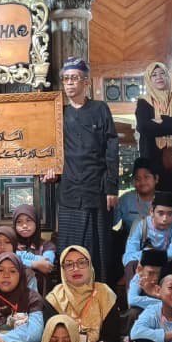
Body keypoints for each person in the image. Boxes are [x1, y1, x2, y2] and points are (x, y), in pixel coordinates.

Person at [43, 56, 119, 282]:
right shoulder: (59, 112)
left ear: (86, 82)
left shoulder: (100, 109)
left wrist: (112, 187)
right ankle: (70, 295)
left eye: (74, 78)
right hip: (69, 191)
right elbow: (48, 147)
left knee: (98, 249)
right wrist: (49, 171)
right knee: (70, 249)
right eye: (66, 79)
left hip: (97, 191)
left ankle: (100, 296)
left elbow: (111, 149)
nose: (69, 83)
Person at [45, 245, 124, 342]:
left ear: (90, 266)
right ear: (63, 270)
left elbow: (111, 337)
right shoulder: (54, 298)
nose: (75, 268)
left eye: (81, 262)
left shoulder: (104, 293)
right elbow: (51, 336)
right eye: (69, 264)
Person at [114, 158, 159, 234]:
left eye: (146, 177)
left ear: (156, 179)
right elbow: (108, 223)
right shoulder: (126, 200)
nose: (142, 182)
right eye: (138, 178)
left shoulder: (164, 200)